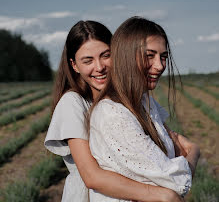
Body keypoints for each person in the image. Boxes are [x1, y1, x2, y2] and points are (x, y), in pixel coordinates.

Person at [45, 20, 184, 202]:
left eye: (105, 55)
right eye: (88, 60)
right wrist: (163, 194)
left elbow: (171, 144)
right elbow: (92, 177)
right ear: (74, 65)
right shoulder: (73, 103)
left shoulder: (133, 99)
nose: (100, 67)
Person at [89, 16, 200, 202]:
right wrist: (195, 151)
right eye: (150, 56)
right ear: (126, 56)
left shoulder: (144, 101)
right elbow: (176, 182)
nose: (160, 65)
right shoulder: (113, 114)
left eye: (163, 57)